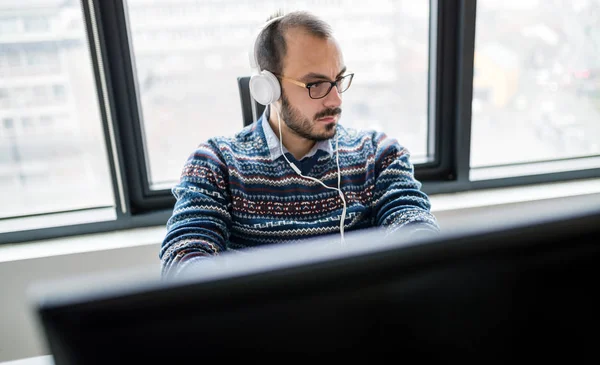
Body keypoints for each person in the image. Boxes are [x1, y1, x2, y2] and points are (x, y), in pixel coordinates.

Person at [160, 10, 439, 278]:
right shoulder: (216, 163)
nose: (336, 100)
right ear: (268, 89)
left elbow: (412, 221)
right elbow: (184, 257)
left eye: (338, 80)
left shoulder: (379, 154)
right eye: (315, 85)